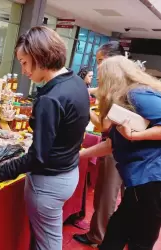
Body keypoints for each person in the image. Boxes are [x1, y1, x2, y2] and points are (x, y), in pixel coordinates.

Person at [0, 26, 90, 250]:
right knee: (43, 237)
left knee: (47, 242)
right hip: (68, 171)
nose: (23, 69)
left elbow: (38, 157)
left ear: (40, 56)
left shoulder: (50, 98)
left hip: (49, 182)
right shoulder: (75, 82)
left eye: (25, 62)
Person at [80, 55, 161, 250]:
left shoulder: (137, 95)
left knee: (139, 238)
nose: (100, 83)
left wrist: (135, 135)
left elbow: (130, 136)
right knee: (116, 231)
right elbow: (112, 144)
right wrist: (80, 154)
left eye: (102, 77)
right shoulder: (124, 101)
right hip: (139, 182)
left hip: (150, 180)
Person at [73, 41, 126, 247]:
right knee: (125, 197)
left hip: (116, 148)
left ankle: (98, 236)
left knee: (105, 195)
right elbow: (95, 90)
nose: (97, 68)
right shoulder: (123, 83)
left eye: (101, 62)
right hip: (131, 152)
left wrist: (85, 107)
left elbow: (104, 126)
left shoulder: (116, 88)